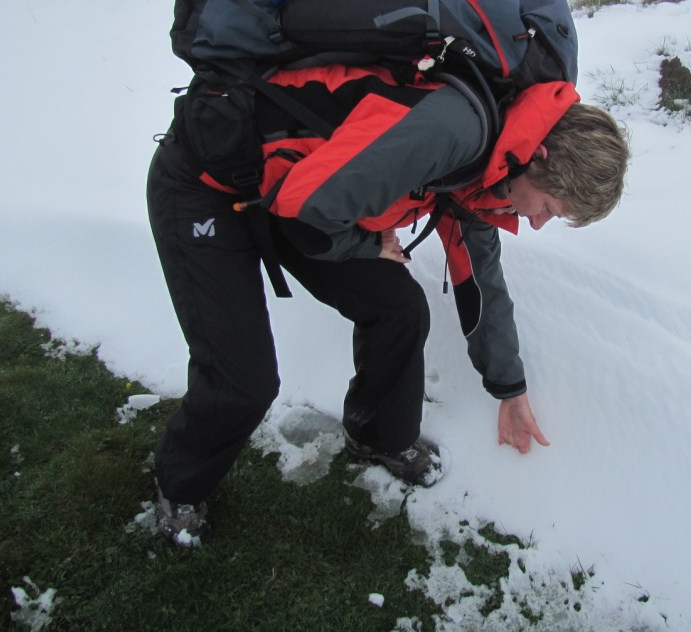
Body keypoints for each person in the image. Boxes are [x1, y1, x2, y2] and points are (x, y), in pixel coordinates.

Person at [147, 61, 629, 545]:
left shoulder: (490, 171)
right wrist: (368, 246)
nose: (539, 222)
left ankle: (377, 435)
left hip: (299, 189)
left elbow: (482, 282)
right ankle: (179, 486)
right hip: (211, 182)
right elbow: (307, 223)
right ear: (539, 155)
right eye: (549, 207)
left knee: (398, 307)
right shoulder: (450, 135)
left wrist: (510, 388)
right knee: (244, 382)